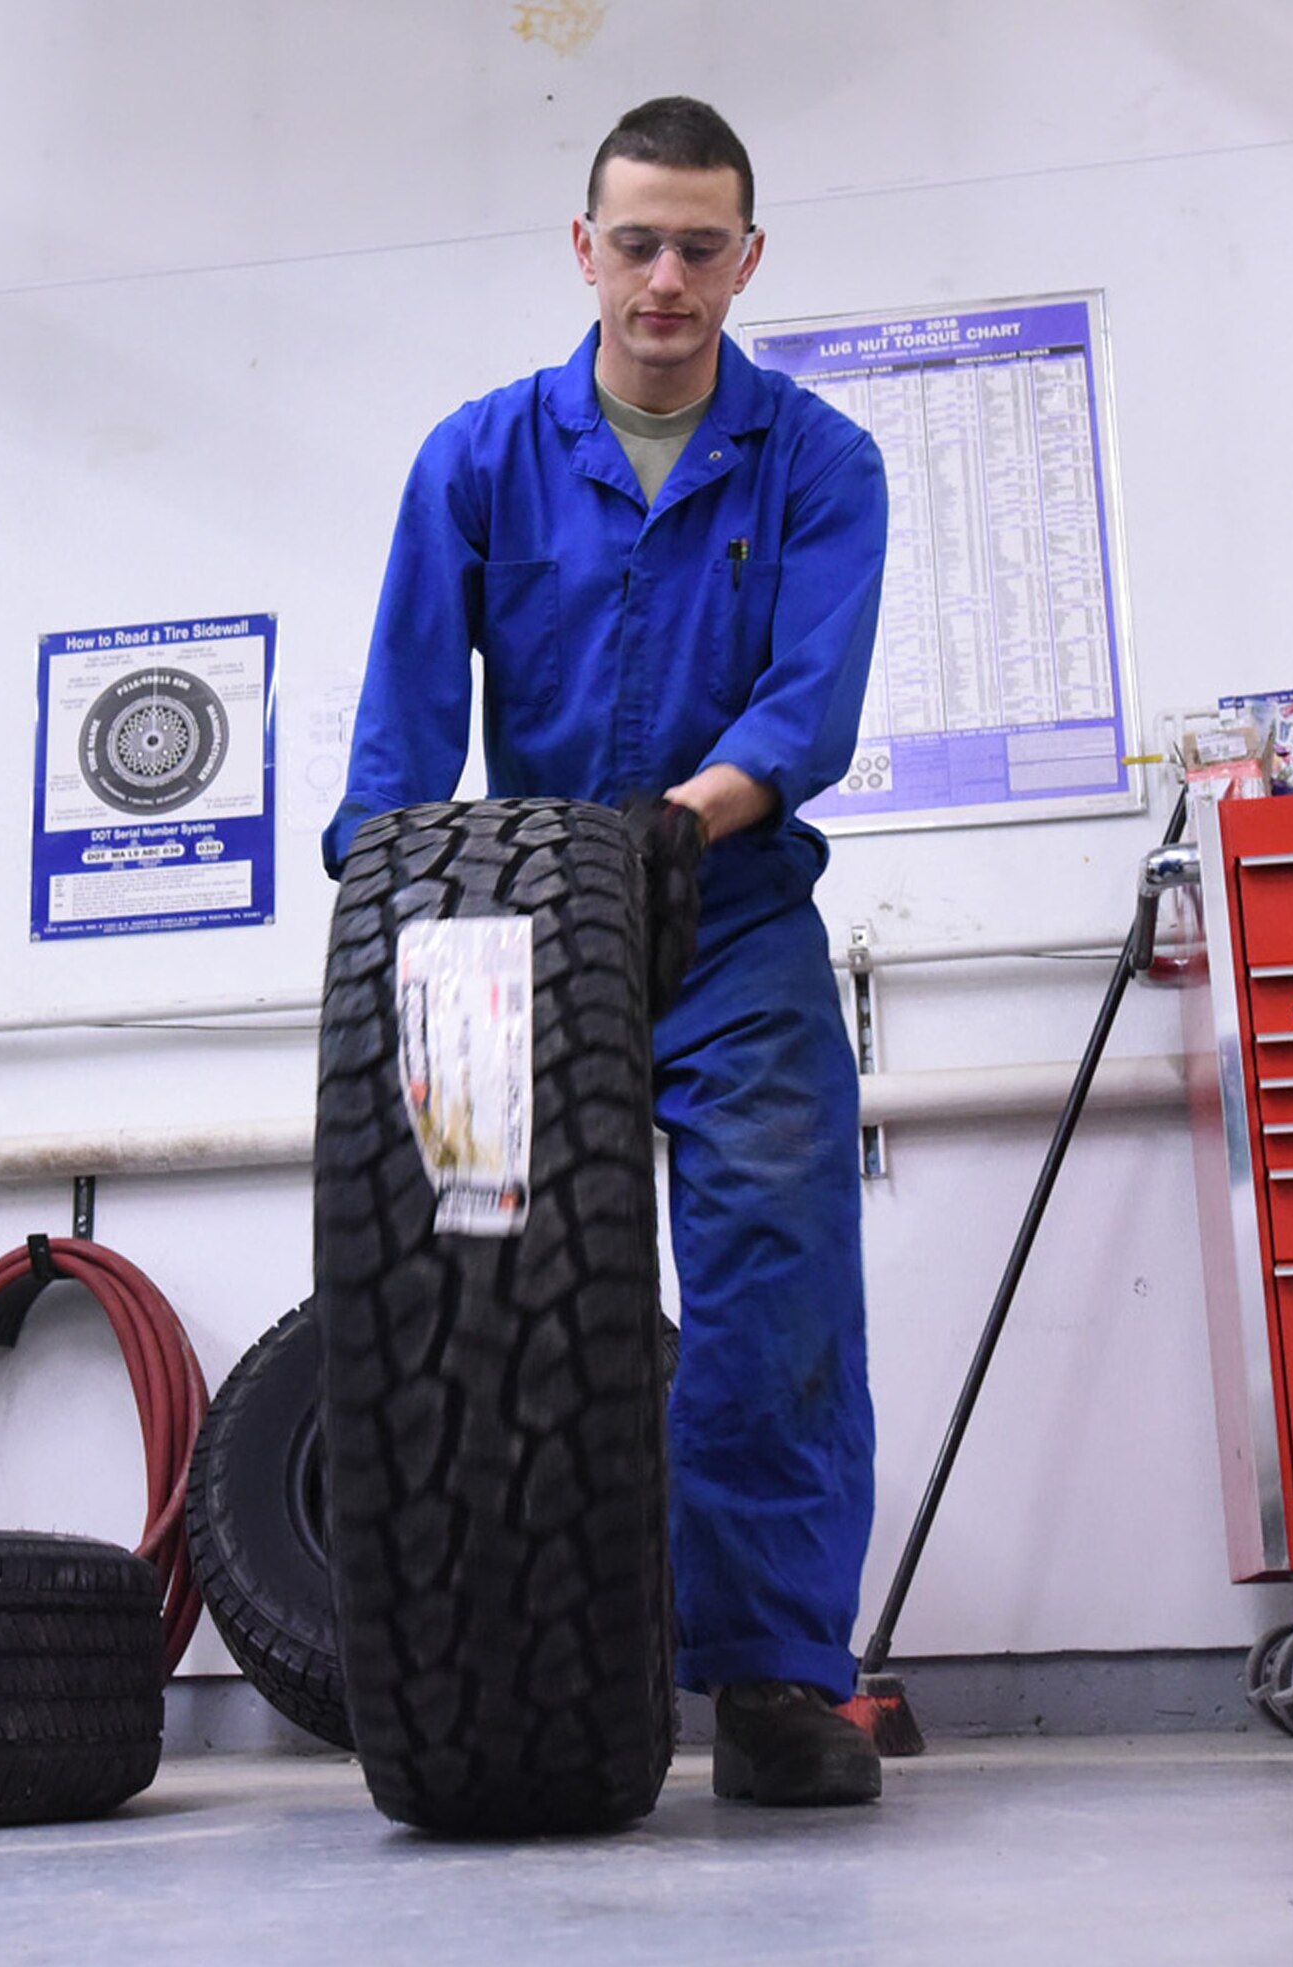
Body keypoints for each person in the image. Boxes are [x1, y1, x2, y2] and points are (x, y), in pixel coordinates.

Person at [324, 96, 889, 1808]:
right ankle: (467, 1655)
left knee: (775, 1279)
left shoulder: (819, 461)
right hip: (500, 947)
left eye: (699, 246)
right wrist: (381, 921)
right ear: (585, 247)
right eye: (634, 241)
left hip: (729, 922)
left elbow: (814, 701)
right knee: (462, 1280)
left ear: (748, 258)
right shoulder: (477, 458)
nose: (665, 278)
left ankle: (781, 1685)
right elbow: (405, 724)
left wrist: (690, 815)